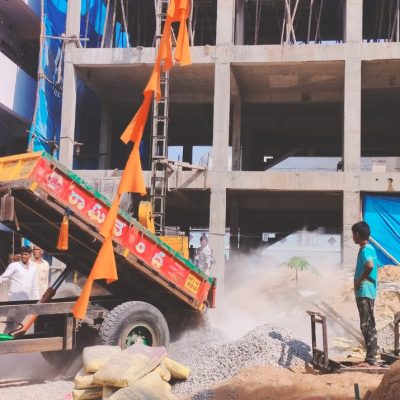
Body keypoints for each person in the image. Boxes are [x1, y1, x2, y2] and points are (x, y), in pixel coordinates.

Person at [352, 221, 379, 366]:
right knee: (369, 323)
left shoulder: (366, 249)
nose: (352, 237)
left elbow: (369, 265)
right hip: (368, 290)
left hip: (365, 290)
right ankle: (371, 356)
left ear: (357, 234)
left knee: (366, 324)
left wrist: (359, 281)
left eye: (353, 234)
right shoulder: (369, 248)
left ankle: (370, 359)